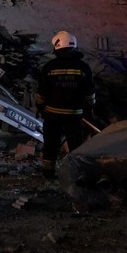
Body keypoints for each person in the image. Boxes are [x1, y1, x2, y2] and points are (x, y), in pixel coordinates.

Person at [36, 31, 96, 179]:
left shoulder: (49, 67)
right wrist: (91, 107)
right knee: (75, 144)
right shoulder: (83, 67)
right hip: (74, 115)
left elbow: (41, 92)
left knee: (50, 143)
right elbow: (90, 92)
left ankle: (48, 173)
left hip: (52, 114)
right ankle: (77, 174)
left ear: (57, 47)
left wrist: (39, 107)